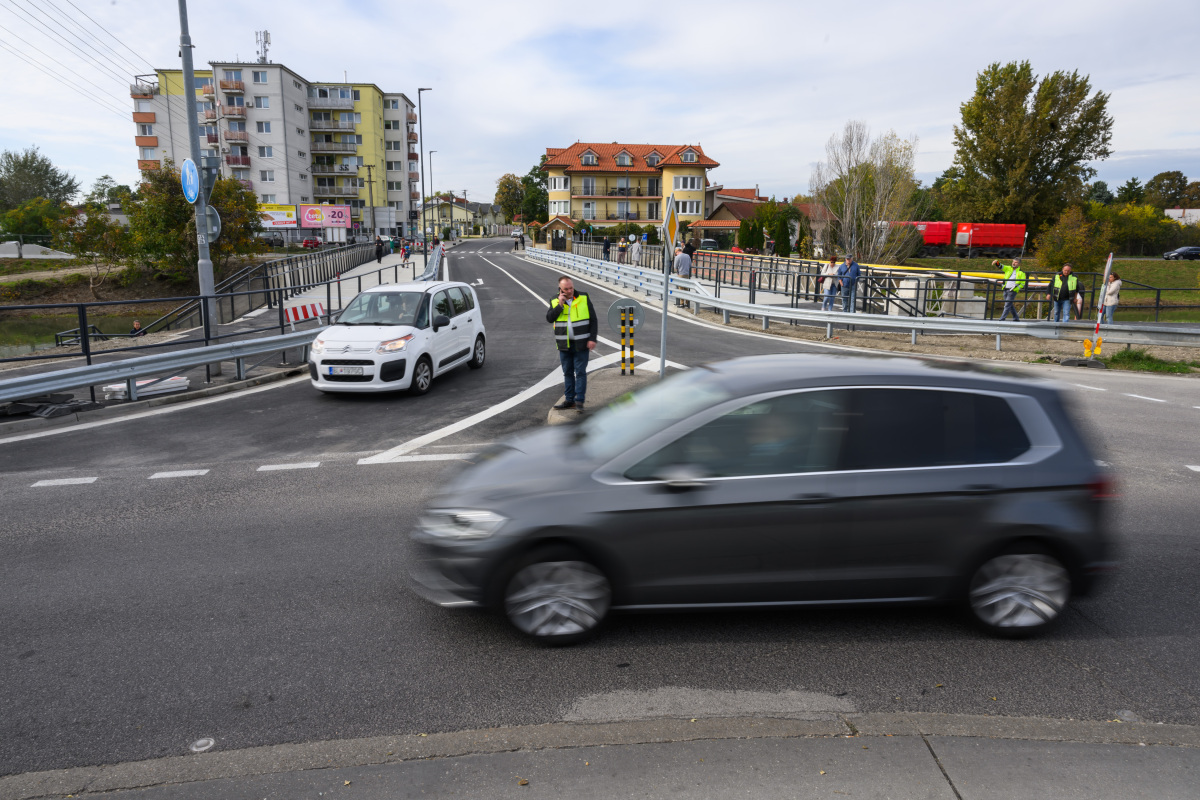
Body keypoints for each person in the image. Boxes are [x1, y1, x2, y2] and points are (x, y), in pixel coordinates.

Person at [546, 276, 597, 413]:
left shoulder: (584, 297)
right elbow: (550, 318)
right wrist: (560, 305)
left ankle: (579, 401)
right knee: (567, 373)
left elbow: (593, 320)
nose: (569, 291)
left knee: (580, 372)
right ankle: (569, 400)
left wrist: (592, 338)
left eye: (571, 288)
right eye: (566, 289)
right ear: (560, 289)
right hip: (564, 343)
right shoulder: (554, 300)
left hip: (581, 343)